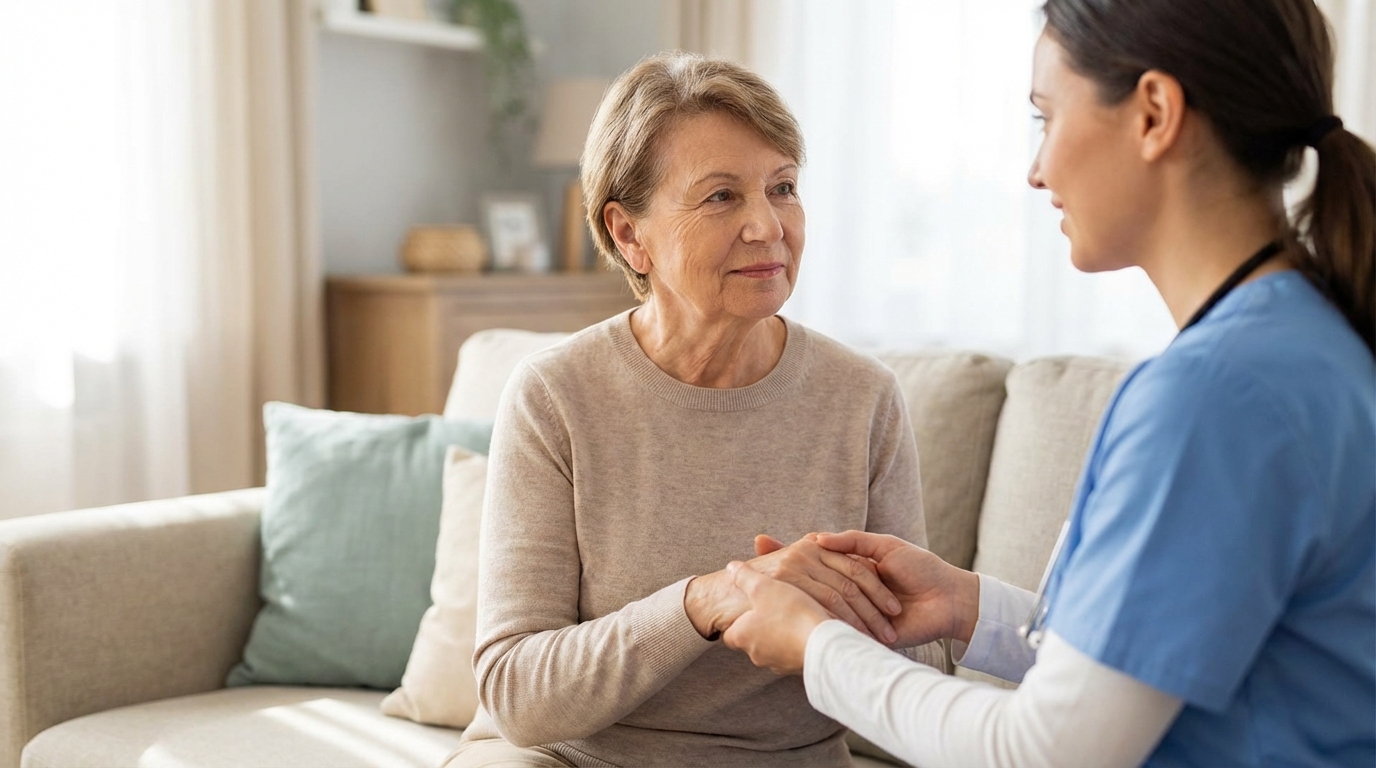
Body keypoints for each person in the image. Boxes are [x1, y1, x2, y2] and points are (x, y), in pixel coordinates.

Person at [722, 1, 1376, 766]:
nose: (1036, 171)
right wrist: (966, 607)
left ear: (1155, 113)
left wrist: (815, 644)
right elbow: (1137, 690)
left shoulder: (1216, 398)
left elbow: (1047, 752)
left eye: (1046, 116)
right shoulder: (1294, 343)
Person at [444, 52, 944, 768]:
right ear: (628, 234)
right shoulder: (556, 395)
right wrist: (705, 602)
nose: (767, 226)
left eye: (783, 188)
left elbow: (921, 676)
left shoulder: (862, 398)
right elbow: (517, 695)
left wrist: (838, 630)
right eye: (720, 197)